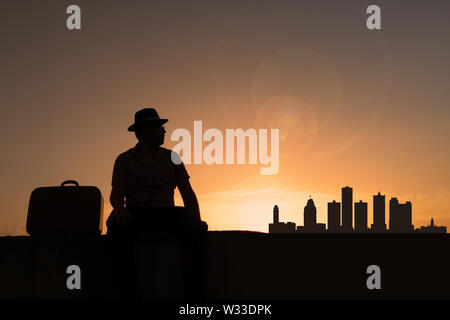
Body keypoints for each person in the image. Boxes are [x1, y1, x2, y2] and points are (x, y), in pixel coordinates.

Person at [106, 107, 208, 300]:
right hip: (136, 213)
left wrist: (196, 220)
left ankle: (195, 298)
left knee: (197, 233)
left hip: (166, 213)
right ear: (144, 131)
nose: (164, 131)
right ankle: (126, 294)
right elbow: (116, 194)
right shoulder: (124, 160)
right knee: (115, 228)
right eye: (158, 127)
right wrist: (118, 208)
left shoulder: (173, 157)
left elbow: (188, 195)